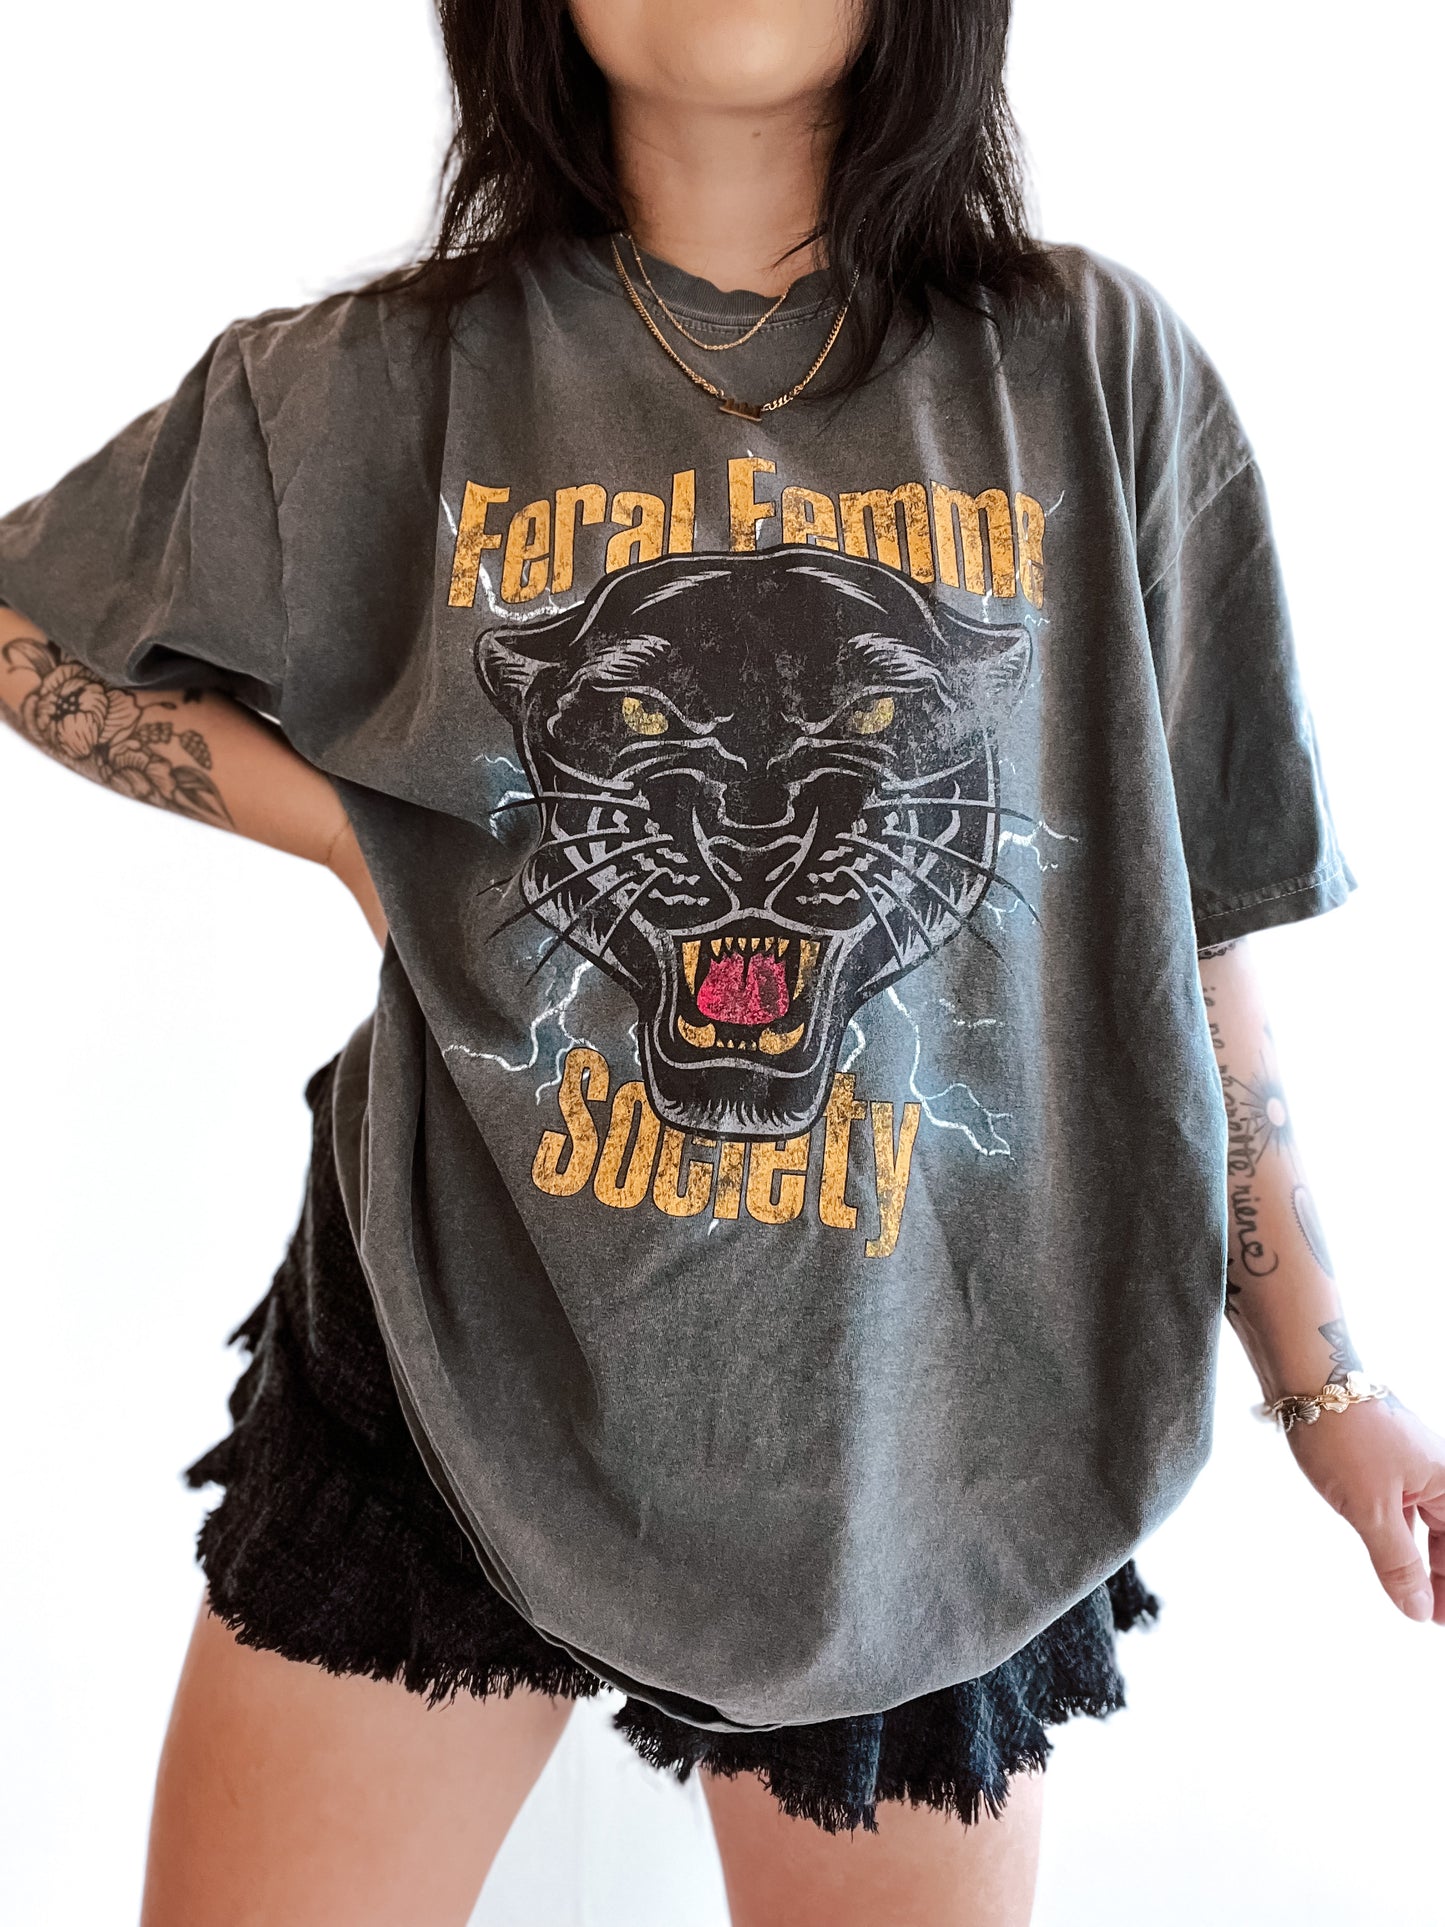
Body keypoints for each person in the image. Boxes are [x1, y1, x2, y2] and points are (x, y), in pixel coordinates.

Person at [2, 1, 1441, 1921]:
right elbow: (29, 622)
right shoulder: (372, 383)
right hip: (451, 1357)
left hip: (933, 1431)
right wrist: (355, 833)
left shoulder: (1093, 367)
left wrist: (1329, 1389)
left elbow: (1189, 941)